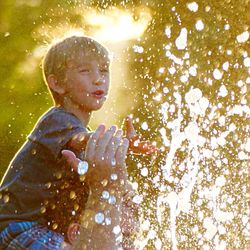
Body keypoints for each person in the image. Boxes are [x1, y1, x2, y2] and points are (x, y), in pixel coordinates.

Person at [0, 35, 156, 249]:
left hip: (42, 225)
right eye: (85, 71)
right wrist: (118, 140)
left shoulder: (76, 128)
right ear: (57, 83)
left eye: (103, 70)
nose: (98, 79)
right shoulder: (56, 120)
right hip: (18, 225)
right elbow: (80, 141)